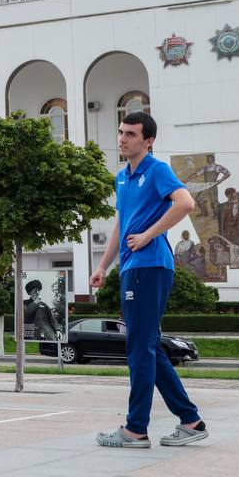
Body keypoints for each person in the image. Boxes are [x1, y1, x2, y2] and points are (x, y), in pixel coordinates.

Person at [90, 112, 207, 448]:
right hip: (132, 267)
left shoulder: (156, 170)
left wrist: (148, 235)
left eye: (130, 134)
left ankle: (135, 429)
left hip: (150, 265)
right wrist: (103, 266)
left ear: (149, 140)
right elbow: (121, 225)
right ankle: (191, 421)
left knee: (139, 348)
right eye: (121, 132)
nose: (122, 139)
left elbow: (186, 202)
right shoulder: (122, 178)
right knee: (148, 347)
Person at [23, 278, 62, 343]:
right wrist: (35, 303)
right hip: (29, 335)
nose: (38, 292)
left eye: (39, 290)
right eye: (35, 290)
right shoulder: (24, 303)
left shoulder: (44, 305)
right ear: (30, 292)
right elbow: (26, 314)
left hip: (46, 335)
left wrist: (58, 330)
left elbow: (52, 319)